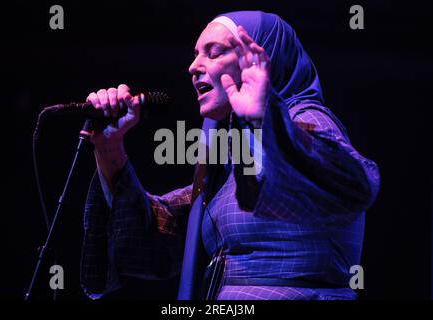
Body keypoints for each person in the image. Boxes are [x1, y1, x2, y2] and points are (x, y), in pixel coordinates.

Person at [80, 11, 380, 300]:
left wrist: (266, 118)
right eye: (196, 53)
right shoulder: (231, 155)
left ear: (262, 60)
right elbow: (162, 233)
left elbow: (350, 183)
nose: (193, 66)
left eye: (214, 53)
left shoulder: (306, 119)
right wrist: (109, 148)